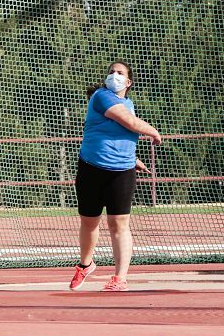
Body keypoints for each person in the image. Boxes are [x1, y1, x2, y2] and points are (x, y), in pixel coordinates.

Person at [69, 61, 162, 292]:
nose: (114, 76)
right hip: (91, 167)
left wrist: (133, 158)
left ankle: (120, 278)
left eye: (120, 73)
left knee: (119, 224)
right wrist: (154, 131)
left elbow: (123, 133)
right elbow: (128, 123)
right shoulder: (101, 96)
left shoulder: (128, 103)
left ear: (128, 82)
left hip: (122, 170)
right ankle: (86, 264)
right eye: (111, 72)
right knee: (89, 222)